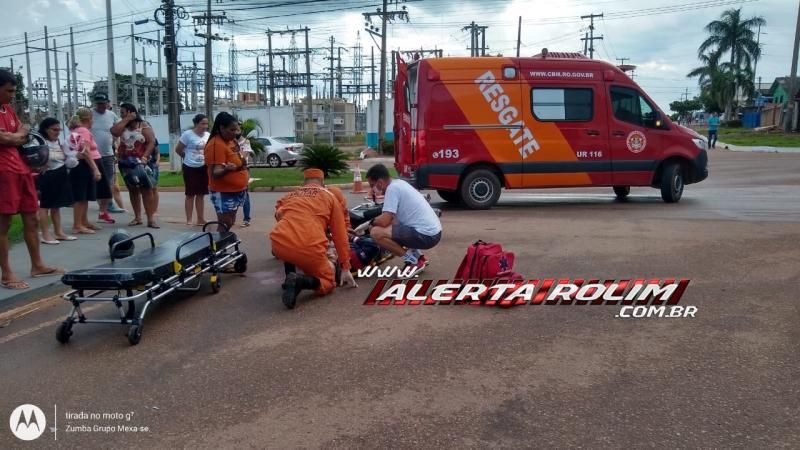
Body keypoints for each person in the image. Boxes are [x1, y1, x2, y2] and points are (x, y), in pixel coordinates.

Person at [0, 69, 64, 289]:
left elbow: (23, 130)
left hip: (21, 169)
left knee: (32, 218)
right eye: (9, 91)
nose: (12, 95)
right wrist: (15, 136)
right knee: (3, 224)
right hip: (3, 172)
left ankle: (37, 265)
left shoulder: (8, 109)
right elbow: (7, 137)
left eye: (14, 91)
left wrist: (15, 136)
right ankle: (7, 274)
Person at [270, 168, 357, 309]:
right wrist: (346, 266)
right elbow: (340, 235)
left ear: (304, 182)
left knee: (293, 245)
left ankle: (290, 276)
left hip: (279, 243)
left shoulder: (292, 195)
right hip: (308, 246)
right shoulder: (330, 197)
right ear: (323, 183)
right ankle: (299, 281)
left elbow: (278, 213)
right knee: (328, 280)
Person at [365, 163, 442, 270]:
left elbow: (384, 221)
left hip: (426, 236)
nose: (372, 189)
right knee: (394, 224)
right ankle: (418, 257)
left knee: (376, 232)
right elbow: (391, 220)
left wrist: (369, 223)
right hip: (433, 233)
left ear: (380, 182)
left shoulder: (392, 189)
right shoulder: (399, 183)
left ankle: (412, 261)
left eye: (372, 185)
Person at [112, 103, 159, 228]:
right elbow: (114, 132)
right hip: (126, 162)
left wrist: (145, 157)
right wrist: (126, 119)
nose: (121, 115)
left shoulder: (143, 125)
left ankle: (150, 219)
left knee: (147, 189)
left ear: (131, 112)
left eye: (123, 112)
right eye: (121, 113)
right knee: (133, 190)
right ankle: (137, 217)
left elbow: (151, 142)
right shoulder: (122, 125)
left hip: (142, 162)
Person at [204, 112, 248, 231]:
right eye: (232, 130)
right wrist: (227, 169)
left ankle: (222, 245)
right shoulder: (215, 145)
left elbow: (238, 157)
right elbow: (215, 173)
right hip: (223, 191)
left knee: (231, 221)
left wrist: (242, 160)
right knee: (225, 222)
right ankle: (217, 247)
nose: (235, 133)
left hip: (237, 189)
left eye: (236, 130)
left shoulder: (231, 141)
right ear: (221, 128)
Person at [36, 117, 76, 244]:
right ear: (46, 129)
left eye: (59, 129)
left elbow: (64, 157)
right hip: (48, 176)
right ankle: (45, 234)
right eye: (54, 129)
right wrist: (39, 165)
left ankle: (58, 232)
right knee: (44, 206)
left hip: (60, 174)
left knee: (56, 206)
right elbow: (30, 157)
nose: (57, 132)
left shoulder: (58, 141)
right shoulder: (39, 141)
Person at [69, 108, 104, 234]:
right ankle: (77, 225)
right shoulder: (83, 130)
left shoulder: (78, 130)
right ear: (88, 119)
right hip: (83, 166)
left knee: (85, 196)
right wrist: (95, 169)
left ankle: (84, 222)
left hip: (83, 165)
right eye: (92, 118)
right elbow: (85, 151)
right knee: (81, 197)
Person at [91, 92, 126, 220]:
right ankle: (101, 206)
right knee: (95, 181)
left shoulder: (111, 115)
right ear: (95, 103)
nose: (101, 106)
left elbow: (119, 129)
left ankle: (108, 205)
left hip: (107, 154)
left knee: (109, 181)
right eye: (99, 103)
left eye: (103, 103)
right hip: (92, 155)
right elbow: (71, 124)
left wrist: (117, 144)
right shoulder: (89, 114)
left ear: (108, 103)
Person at [175, 114, 209, 226]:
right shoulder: (187, 135)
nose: (205, 126)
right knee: (190, 194)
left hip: (203, 167)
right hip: (190, 167)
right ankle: (189, 219)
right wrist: (186, 156)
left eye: (206, 123)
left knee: (201, 194)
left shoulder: (208, 135)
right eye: (202, 123)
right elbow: (178, 149)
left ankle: (200, 219)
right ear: (196, 124)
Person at [236, 128, 254, 227]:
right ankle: (230, 217)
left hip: (243, 169)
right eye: (234, 129)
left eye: (238, 129)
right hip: (232, 169)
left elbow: (244, 156)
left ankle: (246, 219)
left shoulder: (246, 142)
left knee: (244, 194)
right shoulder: (230, 141)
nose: (236, 131)